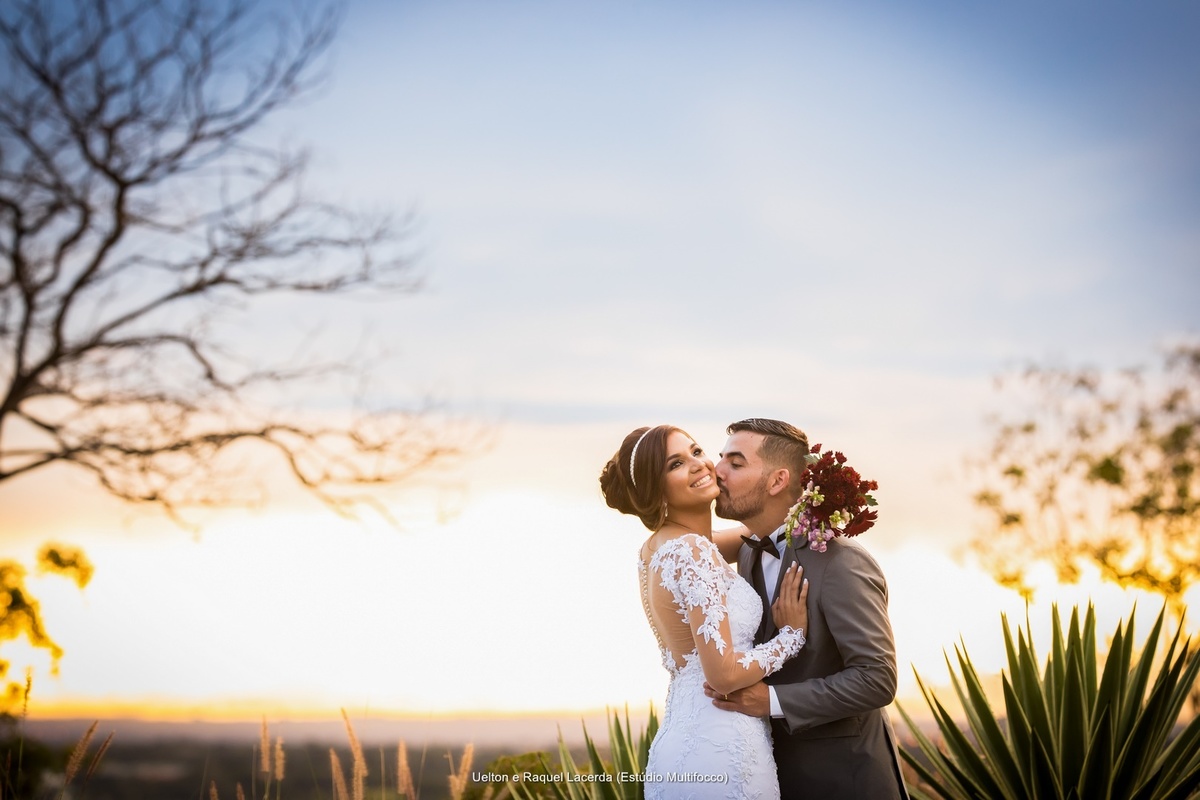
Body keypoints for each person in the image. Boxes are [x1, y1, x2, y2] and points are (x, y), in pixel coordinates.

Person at [600, 424, 810, 799]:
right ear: (656, 489)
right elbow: (725, 674)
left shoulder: (664, 547)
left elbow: (756, 533)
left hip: (682, 741)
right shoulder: (692, 553)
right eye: (676, 464)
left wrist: (803, 497)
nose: (699, 465)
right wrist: (790, 637)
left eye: (697, 452)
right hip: (722, 746)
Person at [705, 418, 909, 800]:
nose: (716, 472)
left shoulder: (841, 563)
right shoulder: (749, 550)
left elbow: (877, 678)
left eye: (735, 463)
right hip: (772, 775)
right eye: (720, 459)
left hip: (846, 781)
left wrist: (770, 701)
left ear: (778, 480)